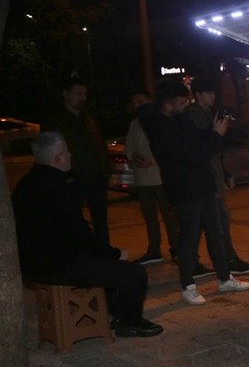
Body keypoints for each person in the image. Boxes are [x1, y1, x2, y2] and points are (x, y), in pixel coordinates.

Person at [12, 132, 163, 338]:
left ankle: (114, 314)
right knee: (134, 273)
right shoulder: (56, 188)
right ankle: (130, 322)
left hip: (33, 264)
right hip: (54, 266)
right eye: (66, 152)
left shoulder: (26, 184)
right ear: (57, 158)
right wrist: (114, 253)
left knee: (103, 264)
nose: (70, 155)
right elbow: (79, 235)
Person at [139, 79, 249, 306]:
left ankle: (224, 277)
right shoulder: (160, 128)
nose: (185, 106)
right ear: (167, 105)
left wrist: (215, 131)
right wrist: (216, 136)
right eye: (181, 103)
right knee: (188, 239)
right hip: (184, 190)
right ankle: (187, 285)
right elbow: (191, 155)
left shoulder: (181, 119)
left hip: (203, 185)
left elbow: (198, 140)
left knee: (215, 232)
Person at [186, 76, 249, 276]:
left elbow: (216, 151)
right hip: (206, 179)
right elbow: (205, 149)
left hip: (212, 176)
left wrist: (226, 173)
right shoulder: (195, 116)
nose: (213, 96)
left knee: (203, 223)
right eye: (209, 93)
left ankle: (193, 262)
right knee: (218, 222)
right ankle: (227, 261)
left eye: (214, 93)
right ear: (198, 95)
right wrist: (217, 134)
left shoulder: (206, 114)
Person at [42, 75, 111, 246]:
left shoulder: (89, 118)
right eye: (78, 94)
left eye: (84, 94)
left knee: (101, 218)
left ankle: (103, 252)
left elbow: (99, 144)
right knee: (72, 219)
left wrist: (105, 169)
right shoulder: (56, 120)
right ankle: (78, 253)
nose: (82, 98)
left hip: (95, 175)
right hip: (73, 177)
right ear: (66, 94)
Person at [126, 91, 180, 265]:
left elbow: (169, 149)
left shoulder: (159, 121)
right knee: (149, 216)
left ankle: (177, 248)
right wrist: (133, 158)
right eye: (134, 102)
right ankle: (154, 249)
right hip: (142, 179)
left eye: (141, 101)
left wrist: (152, 160)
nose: (137, 105)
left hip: (160, 177)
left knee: (169, 216)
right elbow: (129, 147)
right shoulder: (134, 123)